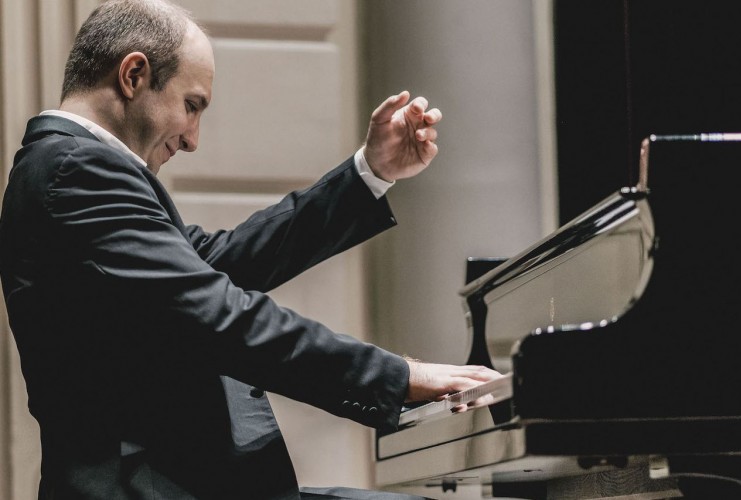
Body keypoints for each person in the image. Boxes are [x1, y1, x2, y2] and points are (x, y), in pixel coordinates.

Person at [0, 1, 502, 499]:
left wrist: (370, 173)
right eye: (192, 105)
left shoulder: (71, 170)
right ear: (133, 74)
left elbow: (226, 260)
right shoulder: (75, 171)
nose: (193, 139)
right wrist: (399, 375)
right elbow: (221, 314)